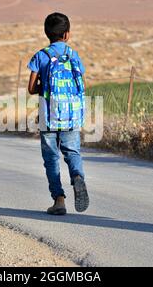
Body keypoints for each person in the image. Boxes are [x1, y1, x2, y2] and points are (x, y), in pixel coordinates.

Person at [27, 12, 89, 215]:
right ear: (67, 34)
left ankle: (59, 200)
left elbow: (31, 88)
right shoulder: (73, 55)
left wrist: (45, 86)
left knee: (51, 158)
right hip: (71, 115)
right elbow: (82, 84)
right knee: (72, 153)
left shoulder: (41, 56)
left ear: (47, 33)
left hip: (48, 116)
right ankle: (77, 177)